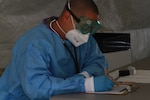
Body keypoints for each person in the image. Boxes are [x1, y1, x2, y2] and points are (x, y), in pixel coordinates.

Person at [0, 0, 114, 99]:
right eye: (85, 26)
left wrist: (84, 75)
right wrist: (84, 84)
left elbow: (98, 62)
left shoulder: (85, 40)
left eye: (92, 28)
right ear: (67, 17)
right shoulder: (35, 43)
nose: (87, 33)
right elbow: (37, 88)